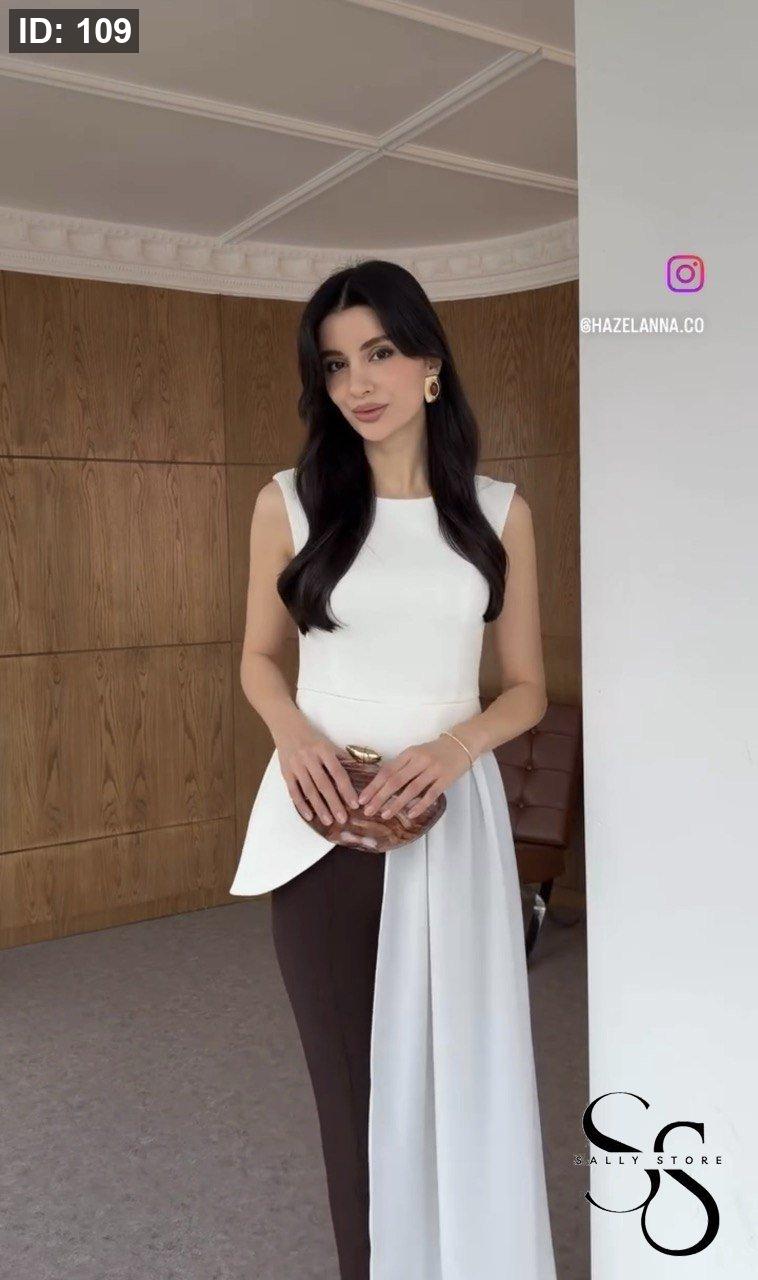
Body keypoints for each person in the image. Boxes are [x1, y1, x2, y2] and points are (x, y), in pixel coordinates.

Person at [229, 258, 557, 1280]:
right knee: (352, 1098)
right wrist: (293, 735)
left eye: (378, 352)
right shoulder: (289, 502)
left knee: (463, 1076)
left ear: (428, 364)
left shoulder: (499, 511)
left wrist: (453, 748)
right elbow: (257, 658)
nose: (357, 382)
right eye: (334, 364)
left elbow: (526, 689)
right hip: (320, 822)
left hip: (452, 823)